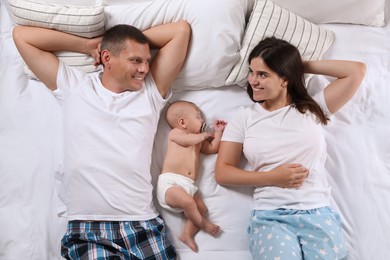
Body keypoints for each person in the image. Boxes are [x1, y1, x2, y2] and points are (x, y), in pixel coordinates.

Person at [13, 20, 191, 259]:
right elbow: (22, 35)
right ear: (107, 58)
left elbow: (180, 31)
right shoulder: (75, 86)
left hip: (141, 223)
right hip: (88, 227)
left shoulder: (149, 92)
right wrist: (88, 45)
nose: (144, 69)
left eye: (147, 61)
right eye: (136, 61)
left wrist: (124, 46)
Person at [215, 37, 366, 259]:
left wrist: (297, 65)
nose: (252, 81)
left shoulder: (311, 110)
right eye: (251, 72)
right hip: (271, 216)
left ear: (285, 79)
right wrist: (272, 177)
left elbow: (356, 71)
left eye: (262, 74)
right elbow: (223, 172)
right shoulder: (244, 118)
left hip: (317, 212)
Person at [156, 101, 226, 252]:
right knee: (188, 202)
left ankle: (187, 234)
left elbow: (213, 149)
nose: (202, 121)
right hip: (170, 184)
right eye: (198, 117)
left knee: (201, 207)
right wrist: (204, 135)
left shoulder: (198, 141)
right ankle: (204, 224)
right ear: (182, 122)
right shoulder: (176, 133)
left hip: (188, 185)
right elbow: (187, 141)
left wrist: (218, 133)